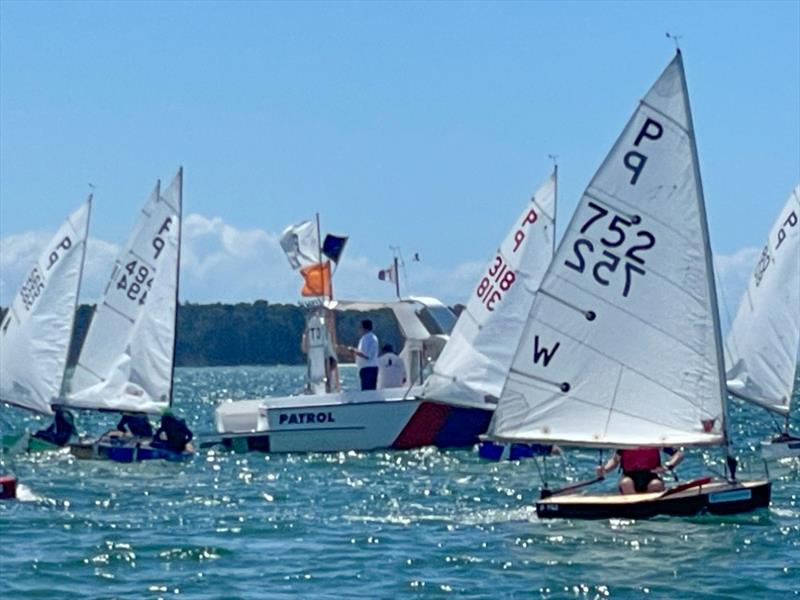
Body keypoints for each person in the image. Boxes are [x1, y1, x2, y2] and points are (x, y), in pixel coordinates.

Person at [596, 446, 684, 494]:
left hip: (650, 475)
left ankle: (649, 506)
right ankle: (632, 508)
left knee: (656, 485)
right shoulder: (626, 444)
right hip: (630, 476)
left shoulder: (654, 442)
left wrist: (667, 466)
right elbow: (615, 461)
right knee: (626, 483)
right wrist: (604, 469)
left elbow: (678, 454)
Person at [348, 319, 379, 391]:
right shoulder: (372, 337)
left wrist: (353, 350)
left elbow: (366, 355)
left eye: (360, 327)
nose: (359, 329)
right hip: (370, 367)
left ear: (364, 328)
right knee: (370, 390)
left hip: (367, 368)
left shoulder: (367, 338)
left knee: (367, 391)